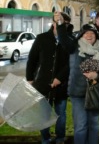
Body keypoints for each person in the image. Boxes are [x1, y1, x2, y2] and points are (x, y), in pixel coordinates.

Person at [55, 12, 99, 144]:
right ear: (81, 35)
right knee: (81, 126)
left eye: (92, 33)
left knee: (94, 125)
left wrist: (97, 75)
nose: (89, 35)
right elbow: (63, 38)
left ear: (96, 36)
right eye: (86, 33)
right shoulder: (74, 47)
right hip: (78, 93)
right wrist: (60, 24)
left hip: (95, 92)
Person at [26, 12, 72, 144]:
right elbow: (32, 60)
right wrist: (30, 78)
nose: (63, 26)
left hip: (61, 85)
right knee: (43, 114)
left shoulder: (68, 41)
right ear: (54, 23)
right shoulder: (41, 38)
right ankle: (45, 138)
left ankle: (60, 138)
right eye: (60, 22)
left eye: (65, 24)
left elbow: (70, 63)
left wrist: (59, 78)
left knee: (60, 114)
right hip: (42, 83)